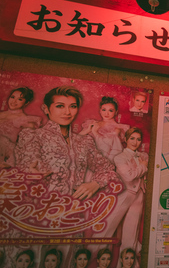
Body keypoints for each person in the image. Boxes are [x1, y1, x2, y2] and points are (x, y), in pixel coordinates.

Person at [14, 85, 121, 199]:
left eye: (73, 106)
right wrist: (32, 172)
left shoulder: (84, 141)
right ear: (46, 108)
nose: (67, 112)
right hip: (40, 209)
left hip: (73, 211)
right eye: (60, 106)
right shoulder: (32, 136)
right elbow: (27, 166)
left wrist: (95, 184)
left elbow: (109, 171)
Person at [89, 127, 148, 257]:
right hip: (125, 194)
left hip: (139, 195)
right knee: (108, 225)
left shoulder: (143, 156)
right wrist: (143, 166)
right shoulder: (120, 157)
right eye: (132, 138)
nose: (135, 142)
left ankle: (126, 266)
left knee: (132, 231)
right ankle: (90, 255)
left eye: (138, 139)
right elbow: (129, 176)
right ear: (125, 139)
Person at [0, 87, 42, 168]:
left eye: (20, 99)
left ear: (26, 103)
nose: (14, 101)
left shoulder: (23, 119)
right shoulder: (2, 114)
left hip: (6, 151)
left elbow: (32, 139)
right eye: (12, 97)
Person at [80, 96, 130, 162]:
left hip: (105, 161)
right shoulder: (93, 123)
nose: (106, 113)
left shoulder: (117, 128)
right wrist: (87, 130)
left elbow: (107, 148)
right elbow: (75, 139)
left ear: (116, 112)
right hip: (88, 158)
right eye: (104, 110)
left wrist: (95, 132)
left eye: (110, 110)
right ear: (100, 110)